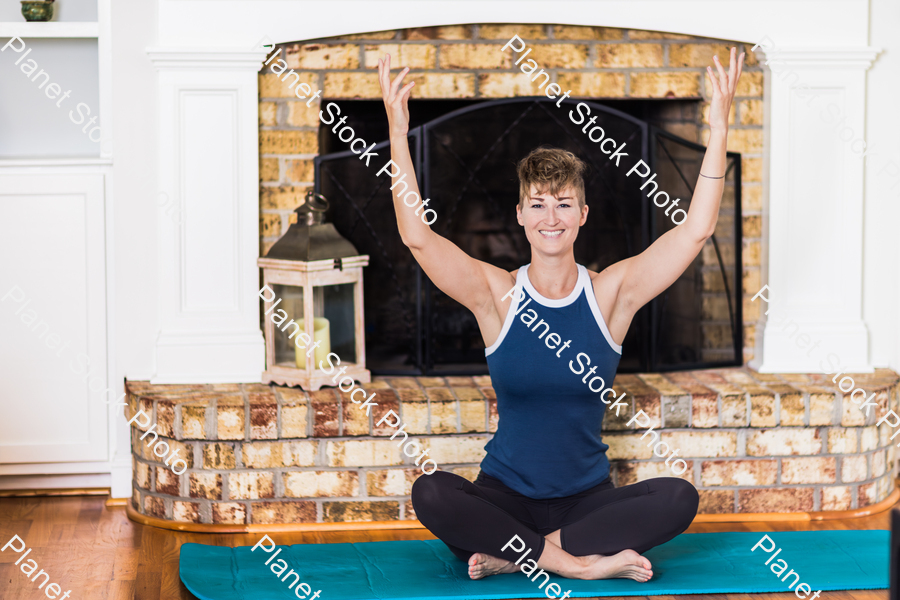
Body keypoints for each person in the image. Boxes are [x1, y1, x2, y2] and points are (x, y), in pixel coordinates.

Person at [376, 48, 744, 583]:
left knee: (678, 497)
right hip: (504, 500)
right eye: (540, 203)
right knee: (431, 493)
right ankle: (576, 565)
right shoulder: (496, 295)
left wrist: (718, 129)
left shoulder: (611, 296)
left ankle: (521, 555)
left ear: (583, 215)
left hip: (585, 506)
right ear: (521, 215)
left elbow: (695, 231)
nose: (552, 216)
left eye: (564, 203)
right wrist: (396, 130)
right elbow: (417, 236)